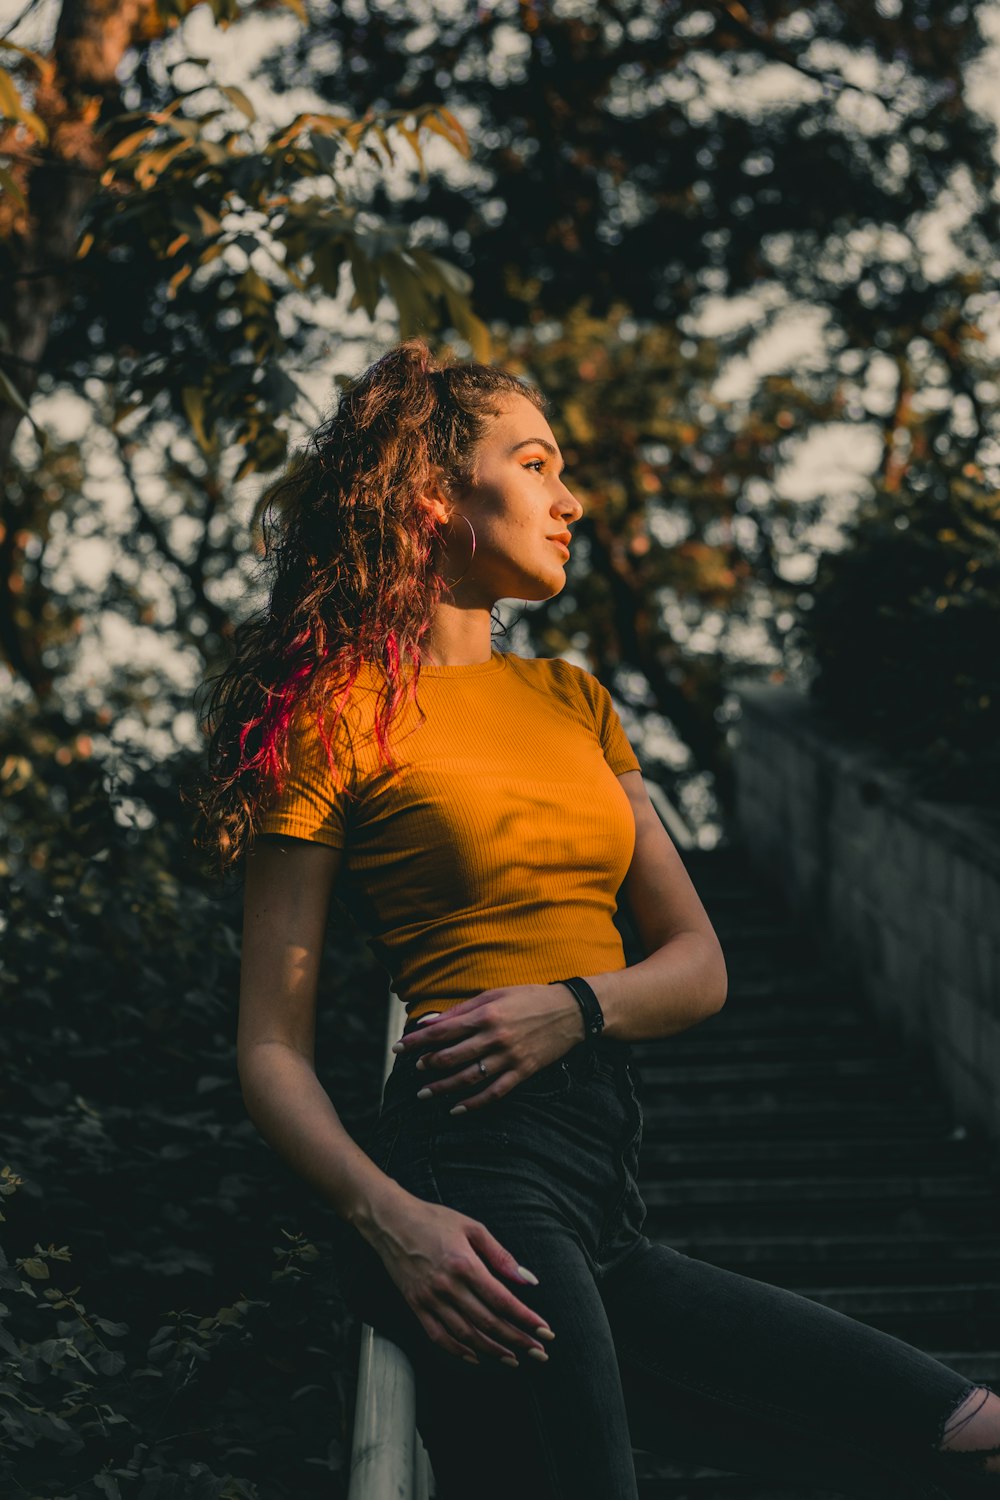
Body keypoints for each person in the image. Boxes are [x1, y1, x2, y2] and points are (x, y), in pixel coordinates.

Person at [197, 338, 1000, 1500]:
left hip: (604, 1184)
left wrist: (573, 1008)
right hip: (472, 1174)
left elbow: (700, 965)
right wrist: (392, 1222)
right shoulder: (337, 716)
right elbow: (269, 1047)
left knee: (960, 1432)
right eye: (535, 465)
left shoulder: (573, 699)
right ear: (435, 500)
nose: (570, 500)